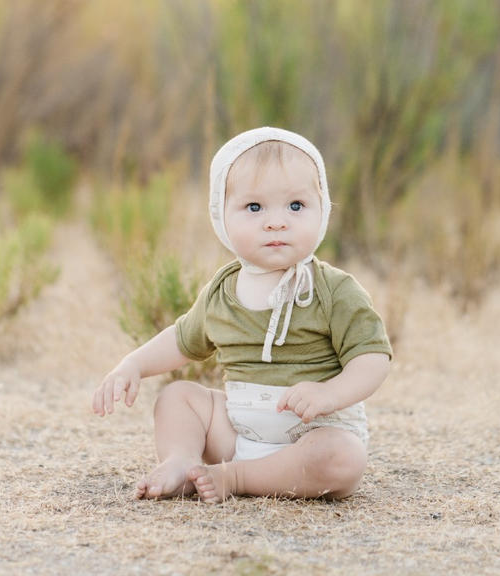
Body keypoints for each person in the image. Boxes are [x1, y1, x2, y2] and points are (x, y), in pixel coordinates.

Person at [91, 127, 392, 503]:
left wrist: (329, 394)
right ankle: (182, 461)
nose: (276, 222)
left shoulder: (332, 289)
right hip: (238, 433)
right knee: (177, 397)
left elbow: (373, 358)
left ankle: (235, 478)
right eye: (254, 208)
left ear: (323, 209)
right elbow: (184, 339)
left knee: (342, 458)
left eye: (296, 206)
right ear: (221, 217)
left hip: (312, 435)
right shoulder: (223, 290)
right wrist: (132, 365)